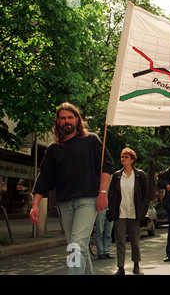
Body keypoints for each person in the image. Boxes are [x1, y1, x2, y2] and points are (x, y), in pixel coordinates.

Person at [30, 102, 114, 275]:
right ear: (58, 122)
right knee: (79, 246)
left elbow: (107, 166)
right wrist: (35, 205)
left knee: (76, 245)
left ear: (77, 119)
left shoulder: (91, 139)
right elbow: (44, 178)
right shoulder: (53, 149)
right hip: (65, 203)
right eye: (62, 118)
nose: (66, 121)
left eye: (70, 117)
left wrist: (103, 193)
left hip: (88, 200)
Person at [106, 148, 150, 275]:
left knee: (135, 242)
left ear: (132, 160)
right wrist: (111, 209)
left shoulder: (140, 175)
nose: (123, 159)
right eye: (122, 157)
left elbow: (146, 196)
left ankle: (136, 263)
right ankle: (121, 267)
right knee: (120, 241)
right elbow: (112, 195)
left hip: (134, 213)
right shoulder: (116, 176)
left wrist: (142, 211)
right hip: (120, 213)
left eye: (126, 157)